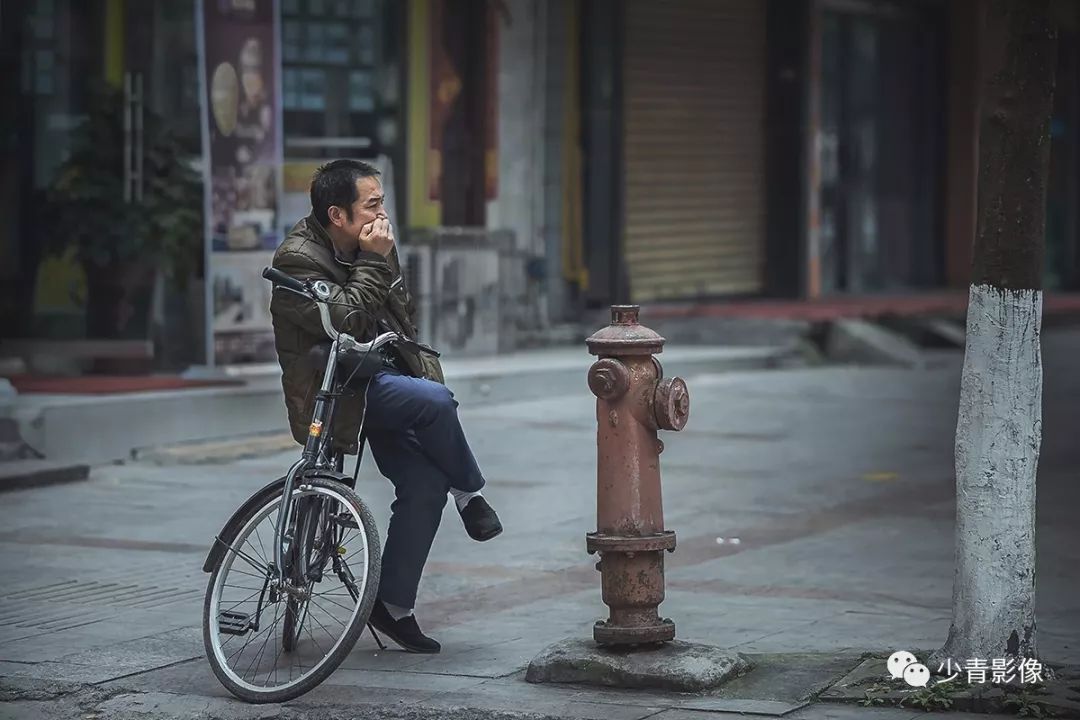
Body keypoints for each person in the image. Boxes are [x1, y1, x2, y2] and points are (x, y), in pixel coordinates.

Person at [268, 159, 502, 654]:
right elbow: (347, 322)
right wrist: (374, 262)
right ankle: (471, 494)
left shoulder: (371, 243)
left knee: (424, 484)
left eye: (381, 201)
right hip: (333, 394)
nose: (381, 213)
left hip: (379, 377)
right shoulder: (297, 259)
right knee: (436, 400)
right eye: (371, 204)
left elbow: (401, 316)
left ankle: (393, 607)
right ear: (337, 214)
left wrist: (379, 263)